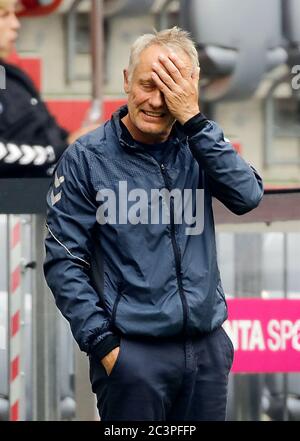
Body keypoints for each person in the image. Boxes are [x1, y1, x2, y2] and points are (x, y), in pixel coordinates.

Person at [44, 27, 264, 421]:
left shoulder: (200, 144)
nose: (157, 101)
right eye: (148, 84)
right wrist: (105, 346)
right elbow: (63, 261)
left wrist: (195, 121)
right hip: (132, 357)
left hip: (206, 353)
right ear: (127, 80)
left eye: (171, 87)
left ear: (190, 88)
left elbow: (247, 195)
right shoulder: (86, 158)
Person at [0, 0, 95, 177]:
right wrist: (62, 150)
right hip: (12, 198)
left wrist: (81, 141)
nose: (15, 24)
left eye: (15, 14)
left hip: (44, 192)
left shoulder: (13, 76)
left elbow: (48, 130)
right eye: (4, 16)